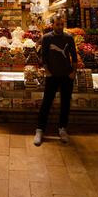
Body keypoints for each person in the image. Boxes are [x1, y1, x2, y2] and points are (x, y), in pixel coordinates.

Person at [34, 15, 77, 146]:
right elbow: (44, 56)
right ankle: (40, 130)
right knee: (46, 102)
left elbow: (74, 56)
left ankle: (62, 129)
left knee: (65, 103)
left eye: (61, 24)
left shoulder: (69, 38)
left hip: (66, 75)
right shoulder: (47, 38)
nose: (59, 27)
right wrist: (47, 71)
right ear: (52, 24)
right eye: (57, 24)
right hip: (52, 75)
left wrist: (73, 72)